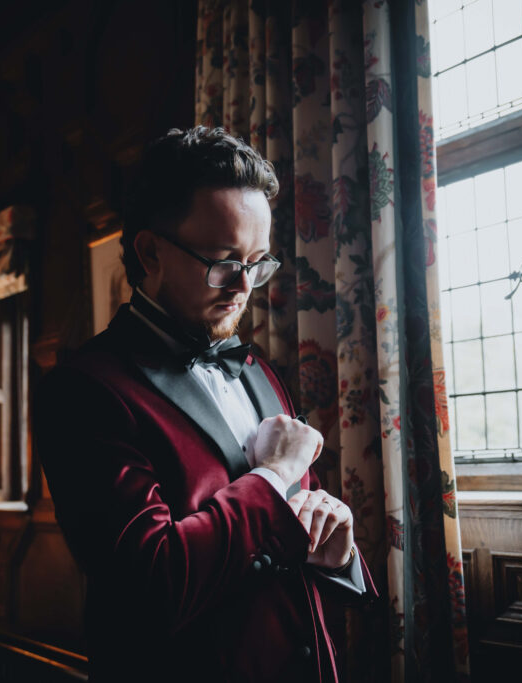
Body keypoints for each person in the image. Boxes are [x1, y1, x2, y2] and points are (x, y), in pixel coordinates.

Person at [35, 126, 377, 682]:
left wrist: (338, 556)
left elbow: (287, 539)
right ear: (150, 252)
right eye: (224, 261)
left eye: (258, 262)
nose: (244, 287)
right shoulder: (82, 392)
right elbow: (152, 584)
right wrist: (277, 473)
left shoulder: (259, 371)